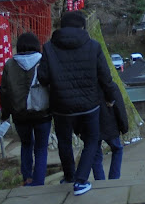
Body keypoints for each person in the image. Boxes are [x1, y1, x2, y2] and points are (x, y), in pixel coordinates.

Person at [38, 11, 116, 196]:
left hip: (61, 106)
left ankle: (70, 176)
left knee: (64, 142)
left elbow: (42, 77)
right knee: (91, 141)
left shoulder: (49, 48)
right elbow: (105, 77)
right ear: (82, 26)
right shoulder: (93, 46)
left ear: (62, 26)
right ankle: (81, 181)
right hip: (89, 105)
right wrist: (110, 97)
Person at [0, 32, 51, 186]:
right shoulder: (43, 61)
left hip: (19, 114)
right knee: (41, 149)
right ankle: (39, 182)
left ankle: (27, 178)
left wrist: (5, 114)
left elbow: (5, 91)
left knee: (26, 145)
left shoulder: (10, 64)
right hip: (43, 113)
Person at [91, 81, 128, 180]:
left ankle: (99, 180)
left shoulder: (86, 86)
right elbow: (119, 107)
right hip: (110, 124)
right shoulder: (110, 86)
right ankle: (114, 178)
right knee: (117, 149)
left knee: (95, 155)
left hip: (92, 125)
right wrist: (123, 126)